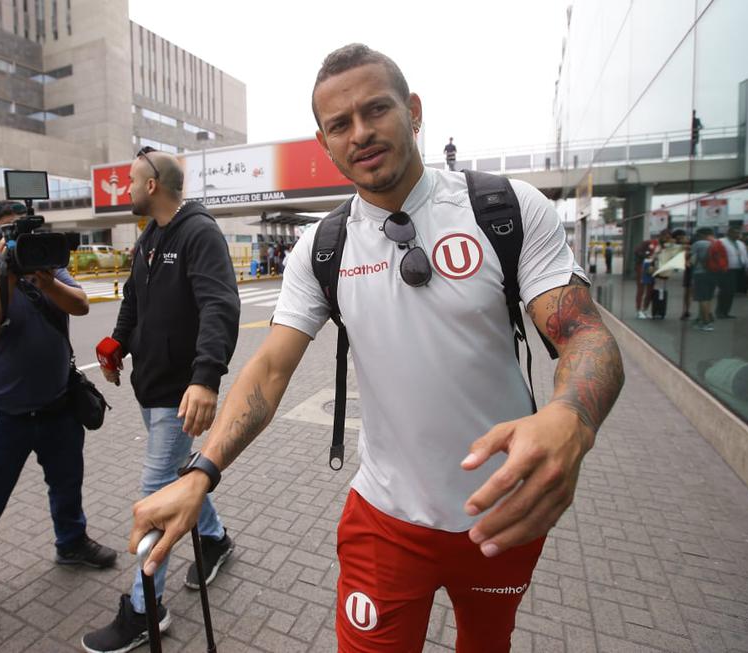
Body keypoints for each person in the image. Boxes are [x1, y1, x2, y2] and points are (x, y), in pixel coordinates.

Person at [126, 43, 624, 653]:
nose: (360, 133)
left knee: (488, 642)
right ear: (325, 143)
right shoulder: (322, 248)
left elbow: (585, 334)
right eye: (340, 124)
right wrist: (201, 471)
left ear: (413, 111)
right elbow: (271, 368)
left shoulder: (505, 209)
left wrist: (572, 417)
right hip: (385, 522)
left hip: (506, 510)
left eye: (376, 110)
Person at [0, 200, 117, 644]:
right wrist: (5, 277)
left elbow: (81, 306)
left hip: (57, 410)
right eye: (7, 233)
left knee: (67, 485)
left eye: (22, 233)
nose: (16, 242)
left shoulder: (50, 269)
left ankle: (72, 543)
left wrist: (44, 279)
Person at [82, 147, 240, 653]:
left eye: (131, 181)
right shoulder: (149, 237)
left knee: (155, 496)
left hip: (180, 393)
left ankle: (145, 610)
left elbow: (219, 304)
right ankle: (214, 539)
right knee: (177, 477)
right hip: (149, 387)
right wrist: (116, 345)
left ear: (152, 185)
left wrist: (206, 377)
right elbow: (134, 301)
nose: (126, 189)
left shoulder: (199, 233)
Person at [716, 226, 748, 318]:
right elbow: (716, 255)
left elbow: (745, 256)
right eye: (735, 233)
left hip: (738, 269)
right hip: (725, 270)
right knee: (725, 291)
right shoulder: (721, 241)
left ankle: (726, 312)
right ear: (729, 233)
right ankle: (720, 312)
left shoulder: (741, 243)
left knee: (731, 292)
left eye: (739, 233)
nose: (738, 235)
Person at [689, 227, 718, 331]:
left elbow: (692, 260)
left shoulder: (698, 244)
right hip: (714, 273)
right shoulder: (715, 243)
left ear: (702, 235)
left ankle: (706, 323)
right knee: (708, 298)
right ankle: (704, 319)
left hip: (700, 273)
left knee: (702, 299)